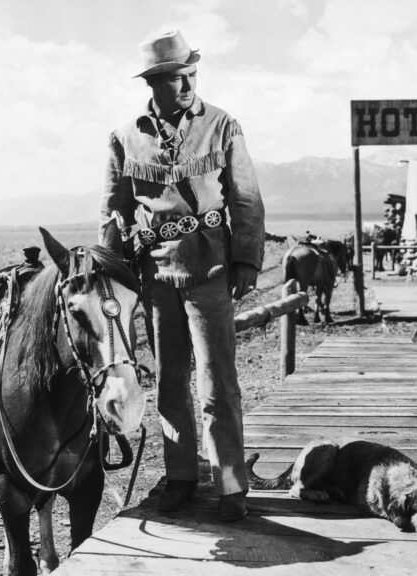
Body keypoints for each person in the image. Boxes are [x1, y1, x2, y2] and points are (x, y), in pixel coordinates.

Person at [99, 30, 265, 521]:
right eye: (176, 78)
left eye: (192, 74)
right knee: (171, 384)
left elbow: (247, 198)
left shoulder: (222, 126)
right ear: (154, 83)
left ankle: (231, 485)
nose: (188, 84)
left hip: (210, 270)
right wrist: (112, 274)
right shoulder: (124, 138)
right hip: (156, 279)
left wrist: (246, 261)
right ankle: (180, 479)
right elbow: (114, 214)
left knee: (218, 385)